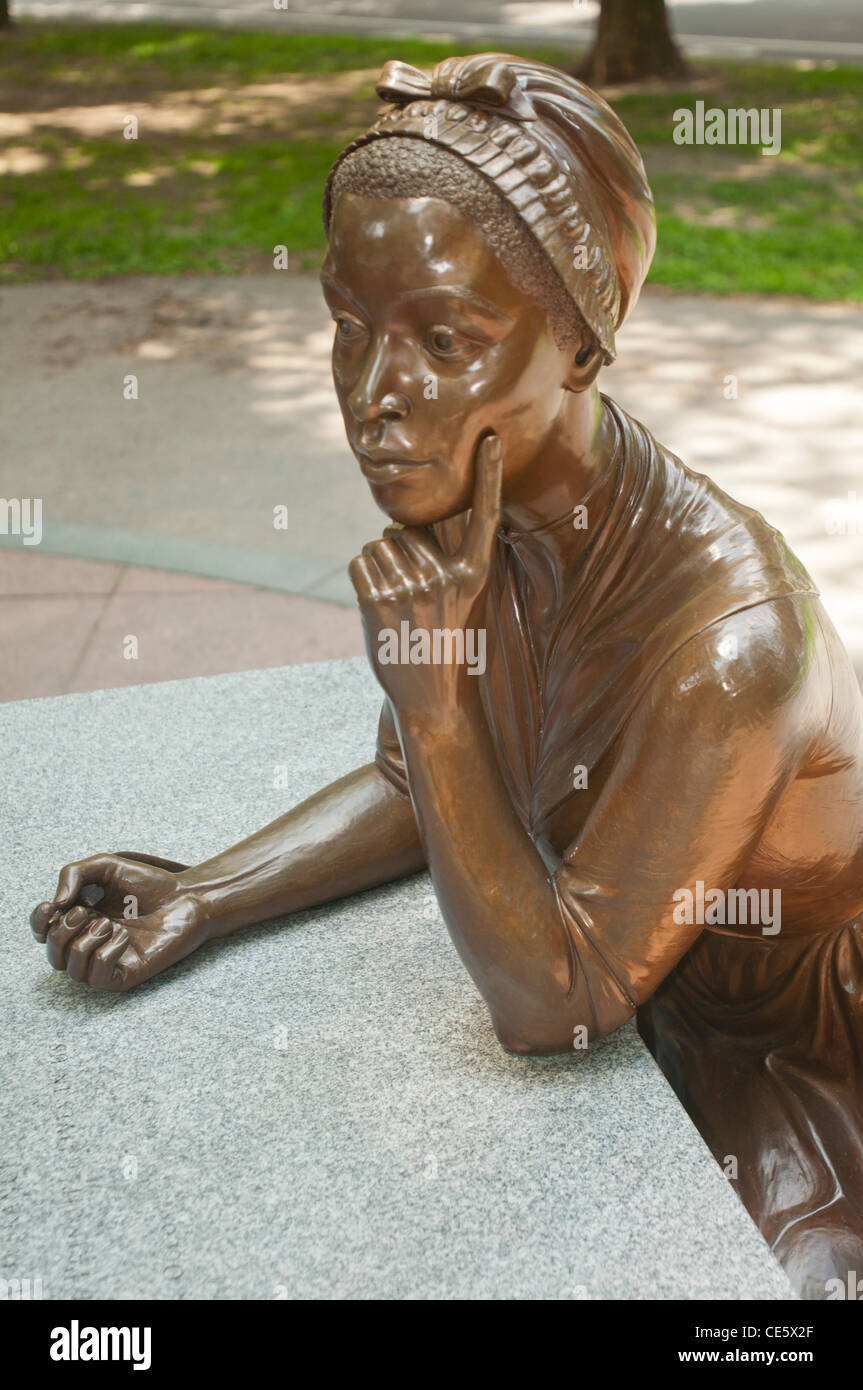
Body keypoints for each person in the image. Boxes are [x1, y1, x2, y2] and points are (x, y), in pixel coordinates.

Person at [30, 55, 863, 1299]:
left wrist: (431, 693)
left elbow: (555, 1002)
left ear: (582, 346)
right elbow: (411, 777)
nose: (375, 398)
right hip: (629, 967)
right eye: (348, 328)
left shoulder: (729, 644)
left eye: (444, 340)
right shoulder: (485, 499)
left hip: (781, 1042)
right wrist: (207, 893)